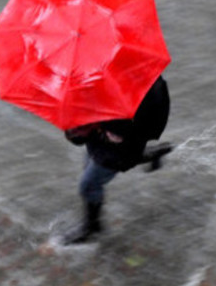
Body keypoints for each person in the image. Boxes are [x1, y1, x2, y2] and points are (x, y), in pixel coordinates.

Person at [62, 76, 173, 245]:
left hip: (119, 149)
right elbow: (81, 133)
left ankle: (92, 227)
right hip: (102, 144)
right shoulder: (97, 80)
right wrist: (77, 130)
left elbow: (137, 129)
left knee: (89, 185)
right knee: (90, 166)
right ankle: (152, 153)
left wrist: (110, 130)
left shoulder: (143, 90)